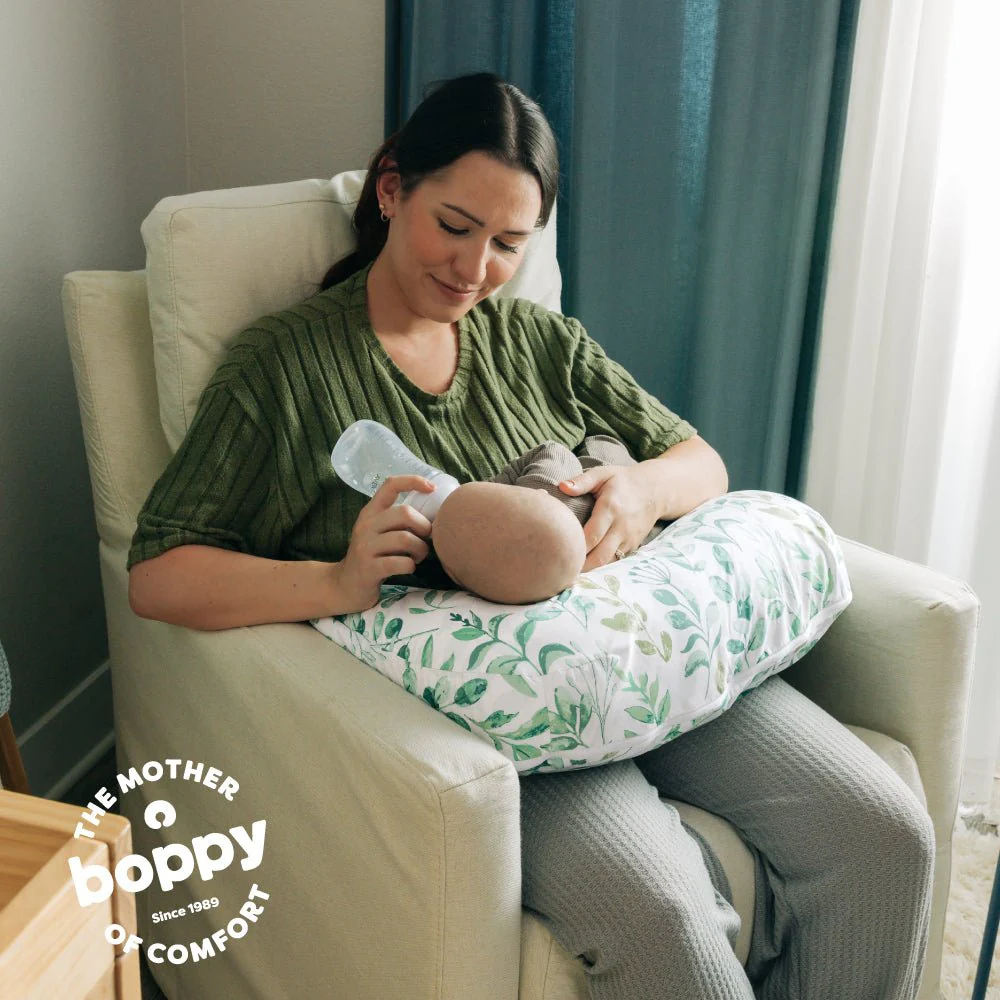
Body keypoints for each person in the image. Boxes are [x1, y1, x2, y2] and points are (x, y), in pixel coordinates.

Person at [127, 72, 935, 999]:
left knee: (887, 839)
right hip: (506, 722)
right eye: (455, 226)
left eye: (509, 243)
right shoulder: (283, 369)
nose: (475, 269)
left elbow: (701, 462)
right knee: (665, 916)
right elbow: (159, 572)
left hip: (642, 658)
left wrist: (639, 489)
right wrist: (335, 582)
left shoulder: (537, 342)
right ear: (391, 190)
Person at [429, 434, 673, 604]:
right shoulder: (545, 485)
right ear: (539, 493)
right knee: (603, 444)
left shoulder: (528, 581)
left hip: (624, 532)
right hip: (609, 471)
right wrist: (502, 483)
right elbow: (553, 449)